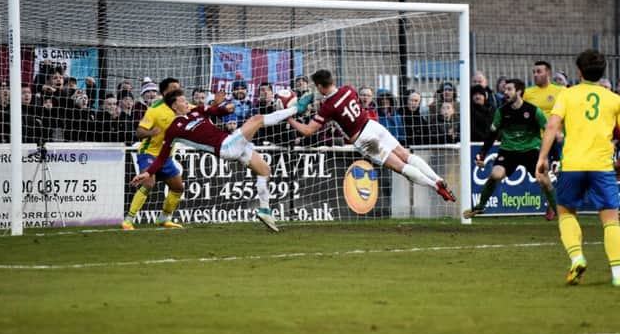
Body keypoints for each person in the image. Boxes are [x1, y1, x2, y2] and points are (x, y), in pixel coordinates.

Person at [131, 88, 306, 232]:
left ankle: (265, 210)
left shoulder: (196, 111)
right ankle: (297, 108)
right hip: (226, 148)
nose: (186, 103)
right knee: (257, 119)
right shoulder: (173, 130)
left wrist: (222, 103)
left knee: (265, 171)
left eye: (185, 100)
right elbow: (162, 157)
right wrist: (147, 172)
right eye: (183, 101)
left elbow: (218, 111)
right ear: (174, 107)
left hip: (232, 141)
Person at [287, 69, 456, 202]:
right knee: (406, 154)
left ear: (320, 86)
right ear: (332, 80)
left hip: (364, 139)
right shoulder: (348, 89)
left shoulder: (328, 106)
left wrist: (290, 119)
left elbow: (308, 131)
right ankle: (438, 178)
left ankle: (435, 186)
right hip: (373, 125)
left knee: (400, 167)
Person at [536, 50, 620, 287]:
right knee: (611, 220)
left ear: (579, 71)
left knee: (566, 213)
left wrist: (542, 157)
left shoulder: (567, 94)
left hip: (572, 165)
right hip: (601, 167)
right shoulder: (614, 99)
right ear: (602, 72)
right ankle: (618, 274)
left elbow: (552, 125)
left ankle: (577, 257)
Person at [464, 79, 557, 220]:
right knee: (495, 175)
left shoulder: (533, 111)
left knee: (544, 180)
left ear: (519, 92)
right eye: (505, 89)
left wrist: (555, 157)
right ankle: (480, 206)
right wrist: (482, 154)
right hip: (508, 151)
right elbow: (492, 135)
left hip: (530, 150)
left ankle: (557, 210)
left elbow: (550, 133)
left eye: (509, 89)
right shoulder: (501, 112)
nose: (505, 92)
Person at [121, 78, 187, 230]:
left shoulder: (183, 106)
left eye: (179, 88)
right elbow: (138, 132)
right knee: (148, 183)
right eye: (174, 88)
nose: (178, 90)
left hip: (167, 156)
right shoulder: (154, 110)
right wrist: (151, 132)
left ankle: (164, 219)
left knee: (178, 188)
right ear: (165, 93)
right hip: (149, 153)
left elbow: (199, 112)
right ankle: (128, 220)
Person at [523, 60, 565, 220]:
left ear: (548, 73)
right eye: (534, 72)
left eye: (539, 71)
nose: (535, 75)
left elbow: (566, 113)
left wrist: (560, 131)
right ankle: (550, 203)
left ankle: (558, 204)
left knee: (559, 172)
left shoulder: (560, 91)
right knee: (542, 173)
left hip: (555, 138)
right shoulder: (528, 93)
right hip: (536, 140)